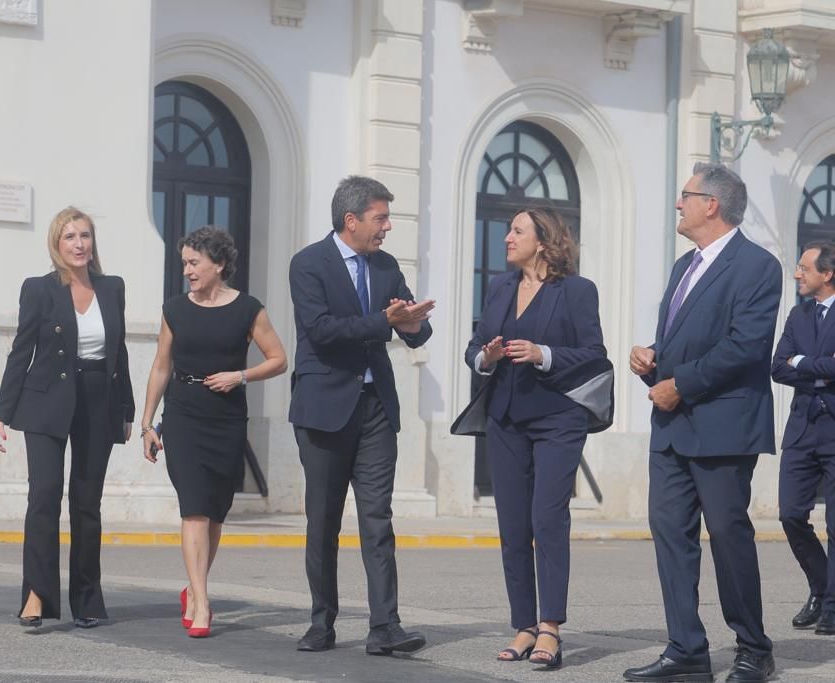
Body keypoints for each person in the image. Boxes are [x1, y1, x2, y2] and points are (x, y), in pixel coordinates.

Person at [624, 163, 781, 683]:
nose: (678, 204)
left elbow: (746, 345)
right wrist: (653, 355)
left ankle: (753, 648)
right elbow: (682, 335)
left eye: (685, 196)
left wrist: (681, 383)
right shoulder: (682, 267)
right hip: (671, 425)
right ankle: (686, 648)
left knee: (727, 535)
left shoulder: (758, 266)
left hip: (721, 425)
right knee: (670, 534)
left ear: (711, 204)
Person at [288, 175, 434, 656]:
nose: (388, 227)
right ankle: (320, 624)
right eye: (380, 218)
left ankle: (384, 627)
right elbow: (322, 330)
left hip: (373, 410)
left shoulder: (387, 265)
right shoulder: (308, 264)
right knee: (323, 521)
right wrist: (385, 322)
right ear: (351, 221)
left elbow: (412, 329)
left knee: (377, 520)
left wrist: (415, 324)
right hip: (324, 410)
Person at [463, 207, 608, 670]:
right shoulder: (499, 287)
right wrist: (484, 357)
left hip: (558, 419)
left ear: (544, 242)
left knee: (547, 520)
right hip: (506, 418)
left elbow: (593, 354)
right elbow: (476, 347)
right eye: (508, 229)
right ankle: (523, 626)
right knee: (512, 527)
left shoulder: (577, 291)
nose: (506, 237)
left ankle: (550, 628)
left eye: (517, 231)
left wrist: (543, 354)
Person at [0, 206, 135, 629]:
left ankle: (87, 600)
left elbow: (118, 352)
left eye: (85, 235)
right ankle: (36, 594)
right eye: (70, 236)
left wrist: (124, 407)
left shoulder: (113, 288)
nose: (79, 244)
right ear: (57, 244)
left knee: (88, 505)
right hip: (46, 399)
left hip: (98, 400)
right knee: (45, 496)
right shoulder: (39, 289)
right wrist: (2, 412)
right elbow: (21, 351)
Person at [140, 226, 286, 638]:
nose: (187, 270)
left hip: (226, 418)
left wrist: (240, 376)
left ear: (218, 264)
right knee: (195, 509)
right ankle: (202, 603)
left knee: (216, 513)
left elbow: (278, 360)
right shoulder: (174, 309)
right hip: (184, 415)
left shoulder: (248, 309)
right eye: (184, 262)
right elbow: (161, 366)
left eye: (194, 262)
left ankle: (193, 586)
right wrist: (148, 423)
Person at [771, 240, 835, 636]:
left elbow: (796, 364)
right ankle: (822, 586)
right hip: (801, 429)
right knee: (791, 514)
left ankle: (831, 606)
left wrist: (803, 364)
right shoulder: (798, 314)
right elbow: (778, 366)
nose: (797, 274)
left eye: (804, 268)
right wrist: (822, 369)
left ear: (827, 274)